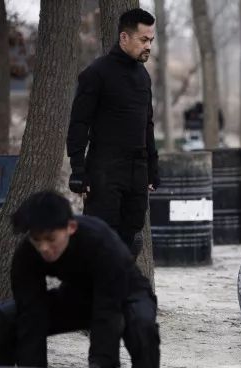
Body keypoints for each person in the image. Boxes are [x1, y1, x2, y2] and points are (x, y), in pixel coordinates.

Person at [0, 191, 164, 368]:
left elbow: (108, 312)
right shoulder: (27, 254)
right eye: (37, 240)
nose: (44, 248)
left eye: (50, 239)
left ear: (71, 228)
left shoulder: (101, 240)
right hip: (77, 298)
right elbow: (30, 317)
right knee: (5, 319)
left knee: (142, 326)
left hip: (126, 293)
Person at [66, 8, 159, 259]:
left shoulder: (143, 77)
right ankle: (91, 294)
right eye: (143, 40)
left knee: (133, 237)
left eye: (151, 40)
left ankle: (119, 292)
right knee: (100, 237)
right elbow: (78, 123)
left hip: (137, 170)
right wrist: (78, 170)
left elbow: (147, 124)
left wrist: (153, 166)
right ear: (124, 38)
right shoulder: (96, 73)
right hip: (104, 168)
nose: (148, 46)